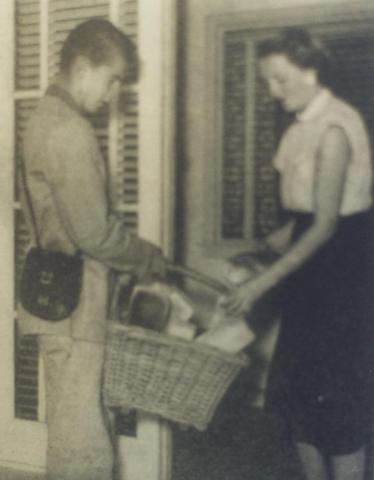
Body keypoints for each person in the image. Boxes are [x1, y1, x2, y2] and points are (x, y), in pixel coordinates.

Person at [19, 18, 166, 480]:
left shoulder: (42, 118)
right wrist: (146, 256)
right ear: (83, 67)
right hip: (78, 307)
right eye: (111, 80)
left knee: (74, 433)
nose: (111, 95)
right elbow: (93, 235)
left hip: (55, 298)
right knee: (85, 451)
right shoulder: (69, 131)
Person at [223, 28, 373, 480]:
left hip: (343, 275)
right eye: (268, 80)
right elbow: (303, 219)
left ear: (311, 71)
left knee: (339, 406)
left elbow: (328, 225)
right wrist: (261, 250)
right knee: (299, 399)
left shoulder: (334, 129)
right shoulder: (299, 128)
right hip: (309, 272)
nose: (272, 91)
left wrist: (259, 283)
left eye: (281, 80)